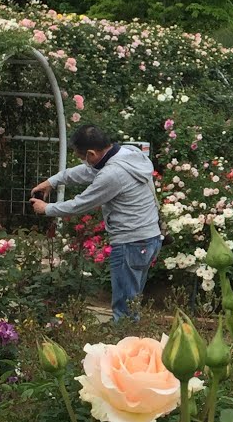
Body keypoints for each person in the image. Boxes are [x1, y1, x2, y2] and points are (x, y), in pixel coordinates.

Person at [31, 124, 161, 322]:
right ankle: (132, 341)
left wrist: (46, 208)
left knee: (125, 310)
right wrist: (52, 181)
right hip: (146, 238)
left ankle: (126, 346)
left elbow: (81, 204)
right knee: (131, 301)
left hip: (131, 242)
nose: (84, 162)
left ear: (92, 153)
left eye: (83, 157)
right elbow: (85, 172)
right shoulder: (127, 154)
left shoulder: (113, 174)